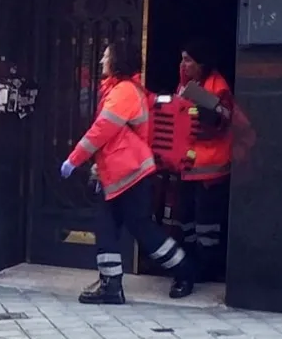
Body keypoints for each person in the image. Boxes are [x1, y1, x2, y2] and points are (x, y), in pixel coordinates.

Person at [60, 41, 196, 304]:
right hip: (120, 175)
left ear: (117, 61)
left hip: (130, 176)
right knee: (108, 228)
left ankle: (184, 270)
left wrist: (74, 160)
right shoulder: (122, 90)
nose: (101, 60)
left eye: (106, 56)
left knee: (140, 229)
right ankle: (111, 285)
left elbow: (101, 131)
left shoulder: (123, 92)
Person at [174, 40, 234, 286]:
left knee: (206, 224)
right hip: (187, 166)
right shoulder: (184, 85)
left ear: (201, 63)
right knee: (184, 219)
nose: (183, 64)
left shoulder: (217, 86)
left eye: (188, 59)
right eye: (182, 59)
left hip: (210, 169)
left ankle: (208, 268)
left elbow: (224, 122)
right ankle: (189, 265)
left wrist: (205, 110)